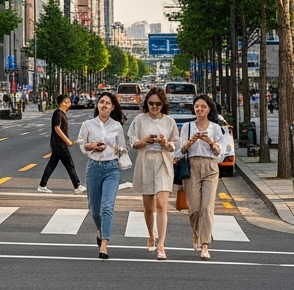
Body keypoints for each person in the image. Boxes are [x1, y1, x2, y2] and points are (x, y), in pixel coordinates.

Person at [177, 94, 231, 261]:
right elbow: (180, 151)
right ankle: (196, 234)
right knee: (194, 208)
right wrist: (190, 142)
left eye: (203, 107)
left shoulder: (216, 128)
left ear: (209, 109)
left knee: (207, 207)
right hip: (192, 167)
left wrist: (210, 142)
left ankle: (205, 244)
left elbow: (221, 153)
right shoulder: (187, 127)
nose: (199, 109)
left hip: (210, 167)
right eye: (197, 106)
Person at [127, 87, 178, 259]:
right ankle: (151, 235)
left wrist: (165, 143)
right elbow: (132, 143)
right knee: (149, 207)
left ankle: (161, 245)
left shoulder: (169, 121)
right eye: (151, 103)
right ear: (146, 103)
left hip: (163, 161)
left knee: (162, 203)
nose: (154, 107)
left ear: (163, 105)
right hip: (146, 160)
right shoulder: (140, 120)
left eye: (158, 104)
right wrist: (144, 141)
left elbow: (174, 145)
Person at [77, 92, 127, 259]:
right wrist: (92, 146)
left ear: (113, 107)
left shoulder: (117, 126)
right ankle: (99, 230)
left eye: (108, 103)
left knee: (107, 206)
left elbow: (123, 148)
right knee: (95, 210)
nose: (104, 105)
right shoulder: (87, 124)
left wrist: (117, 149)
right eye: (101, 102)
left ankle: (104, 244)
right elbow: (82, 145)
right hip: (93, 168)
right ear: (97, 105)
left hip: (111, 169)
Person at [38, 94, 84, 194]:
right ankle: (77, 186)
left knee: (52, 164)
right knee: (69, 164)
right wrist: (67, 141)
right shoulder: (58, 113)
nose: (70, 104)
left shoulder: (62, 113)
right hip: (59, 144)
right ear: (63, 103)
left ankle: (42, 185)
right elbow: (57, 128)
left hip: (58, 144)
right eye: (68, 102)